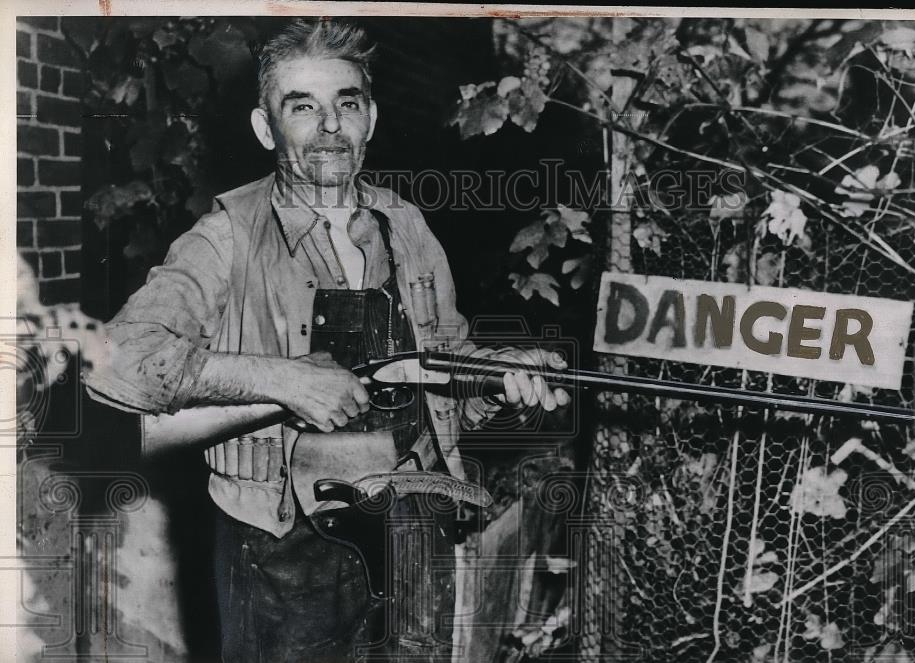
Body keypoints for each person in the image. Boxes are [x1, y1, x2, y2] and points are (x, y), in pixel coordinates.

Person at [85, 18, 569, 663]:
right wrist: (282, 378)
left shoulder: (406, 224)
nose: (330, 126)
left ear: (370, 118)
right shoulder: (226, 235)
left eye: (347, 103)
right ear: (266, 128)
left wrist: (502, 374)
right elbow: (118, 363)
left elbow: (442, 364)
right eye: (302, 106)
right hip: (280, 546)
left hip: (409, 523)